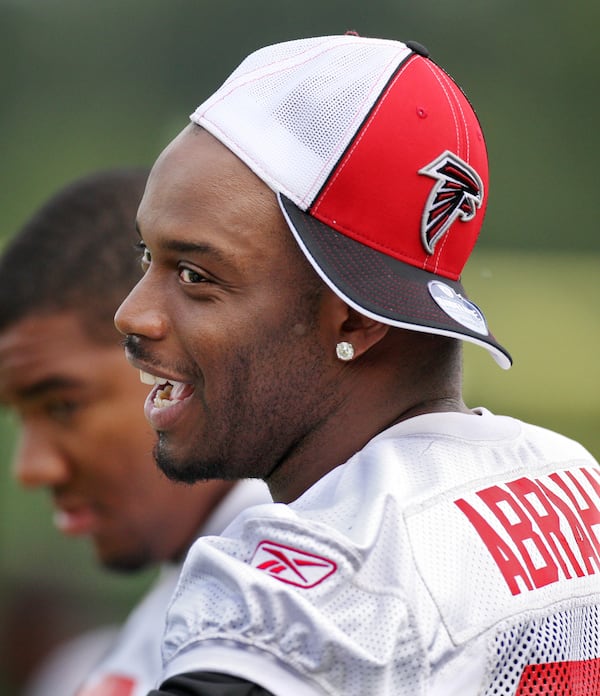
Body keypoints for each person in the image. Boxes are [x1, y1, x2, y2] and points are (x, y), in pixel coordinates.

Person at [114, 34, 600, 696]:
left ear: (356, 317)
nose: (132, 314)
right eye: (148, 257)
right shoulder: (572, 476)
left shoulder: (325, 580)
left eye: (196, 275)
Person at [0, 168, 271, 696]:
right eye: (18, 416)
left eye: (61, 405)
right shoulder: (199, 587)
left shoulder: (299, 598)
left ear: (175, 355)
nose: (31, 468)